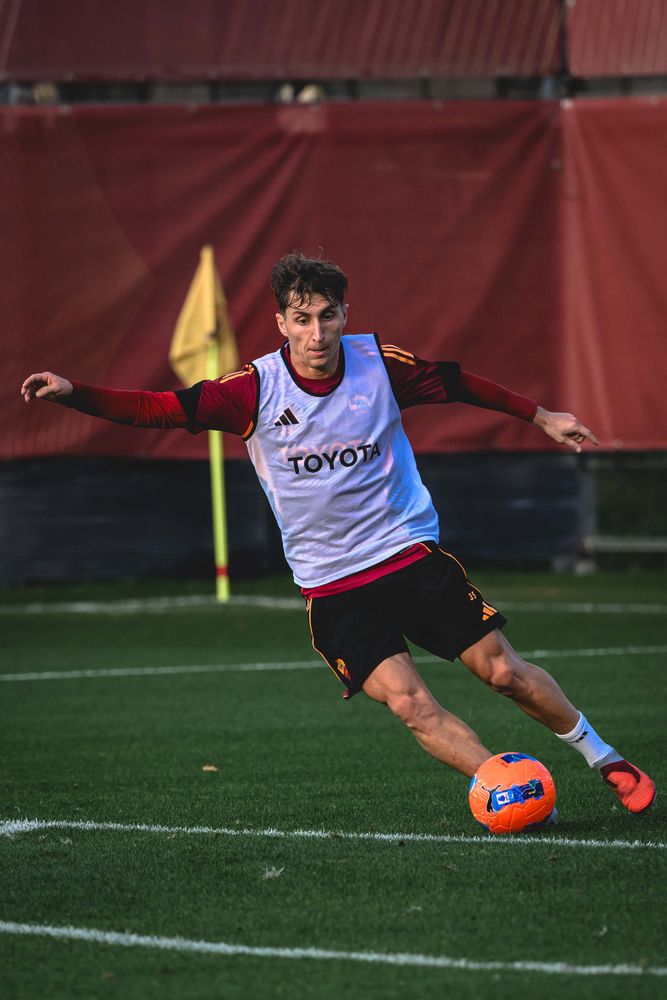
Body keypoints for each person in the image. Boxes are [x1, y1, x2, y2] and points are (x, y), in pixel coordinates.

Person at [21, 251, 655, 817]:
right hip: (331, 585)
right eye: (302, 319)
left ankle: (606, 759)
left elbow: (458, 381)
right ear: (281, 324)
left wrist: (542, 416)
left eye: (327, 316)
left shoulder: (378, 364)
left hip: (403, 552)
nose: (316, 332)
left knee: (502, 673)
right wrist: (74, 392)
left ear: (344, 314)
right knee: (410, 704)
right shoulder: (252, 391)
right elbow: (157, 408)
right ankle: (504, 785)